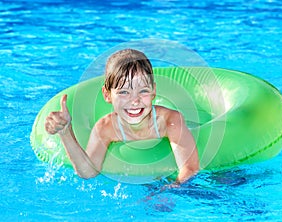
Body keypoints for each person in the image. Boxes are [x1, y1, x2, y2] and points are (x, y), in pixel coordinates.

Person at [45, 49, 199, 184]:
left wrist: (170, 189)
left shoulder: (170, 121)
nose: (135, 101)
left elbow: (190, 168)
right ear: (107, 95)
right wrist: (66, 132)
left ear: (153, 91)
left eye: (143, 91)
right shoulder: (106, 127)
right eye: (124, 92)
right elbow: (88, 172)